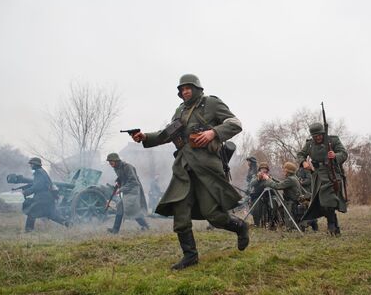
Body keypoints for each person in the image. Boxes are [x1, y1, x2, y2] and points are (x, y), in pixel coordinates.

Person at [131, 74, 248, 270]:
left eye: (189, 88)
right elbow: (166, 134)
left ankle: (240, 227)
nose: (185, 91)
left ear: (197, 88)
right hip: (183, 168)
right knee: (180, 212)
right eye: (182, 89)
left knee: (214, 215)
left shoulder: (211, 103)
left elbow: (235, 123)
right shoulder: (180, 110)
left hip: (206, 168)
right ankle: (190, 255)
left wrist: (214, 132)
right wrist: (144, 137)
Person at [297, 122, 348, 236]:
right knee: (321, 203)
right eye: (315, 136)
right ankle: (335, 226)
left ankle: (331, 225)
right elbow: (300, 154)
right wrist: (303, 162)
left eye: (320, 135)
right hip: (317, 175)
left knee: (329, 200)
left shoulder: (333, 140)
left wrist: (335, 156)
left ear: (323, 133)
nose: (318, 137)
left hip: (332, 174)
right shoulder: (309, 144)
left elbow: (344, 154)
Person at [22, 157, 71, 232]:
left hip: (42, 198)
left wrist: (27, 191)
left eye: (31, 164)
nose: (30, 165)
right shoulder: (42, 172)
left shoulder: (38, 173)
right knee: (52, 215)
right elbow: (40, 184)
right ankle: (68, 224)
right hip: (48, 197)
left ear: (35, 164)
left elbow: (38, 186)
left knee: (31, 213)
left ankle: (28, 231)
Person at [106, 153, 149, 234]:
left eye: (111, 162)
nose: (110, 164)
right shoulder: (116, 168)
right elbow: (123, 177)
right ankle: (115, 230)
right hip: (127, 190)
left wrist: (122, 189)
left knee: (132, 210)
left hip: (133, 190)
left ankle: (146, 226)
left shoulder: (127, 167)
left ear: (116, 160)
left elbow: (133, 181)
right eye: (109, 162)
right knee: (121, 207)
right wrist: (118, 181)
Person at [261, 162, 302, 230]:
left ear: (287, 170)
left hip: (291, 203)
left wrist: (267, 179)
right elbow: (282, 183)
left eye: (284, 169)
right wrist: (272, 179)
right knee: (280, 210)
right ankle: (283, 225)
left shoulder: (290, 179)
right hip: (293, 201)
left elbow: (278, 186)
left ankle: (290, 227)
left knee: (285, 214)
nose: (283, 171)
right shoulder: (293, 177)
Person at [248, 162, 272, 227]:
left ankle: (270, 223)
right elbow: (251, 184)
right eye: (262, 168)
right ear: (259, 170)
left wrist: (268, 179)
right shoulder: (255, 176)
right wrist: (258, 179)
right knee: (256, 205)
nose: (264, 170)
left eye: (265, 169)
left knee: (273, 204)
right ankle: (257, 223)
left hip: (268, 196)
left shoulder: (269, 176)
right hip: (257, 196)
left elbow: (274, 185)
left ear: (267, 170)